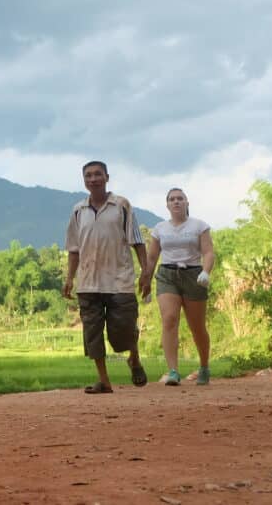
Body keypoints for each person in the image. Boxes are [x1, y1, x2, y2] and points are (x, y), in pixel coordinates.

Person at [62, 161, 150, 393]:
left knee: (123, 329)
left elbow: (137, 241)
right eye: (88, 175)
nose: (93, 179)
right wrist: (70, 278)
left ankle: (134, 359)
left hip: (119, 279)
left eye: (97, 174)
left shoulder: (121, 205)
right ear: (84, 180)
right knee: (92, 332)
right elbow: (74, 248)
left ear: (107, 177)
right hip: (88, 281)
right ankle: (104, 380)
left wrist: (146, 272)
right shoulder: (78, 210)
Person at [141, 188, 215, 386]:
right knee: (169, 319)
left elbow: (208, 252)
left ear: (187, 203)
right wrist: (146, 280)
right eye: (172, 199)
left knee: (197, 326)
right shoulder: (160, 229)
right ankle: (173, 371)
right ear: (167, 205)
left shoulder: (199, 226)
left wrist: (205, 272)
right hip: (167, 275)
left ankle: (204, 366)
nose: (176, 202)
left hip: (193, 275)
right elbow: (152, 256)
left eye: (180, 199)